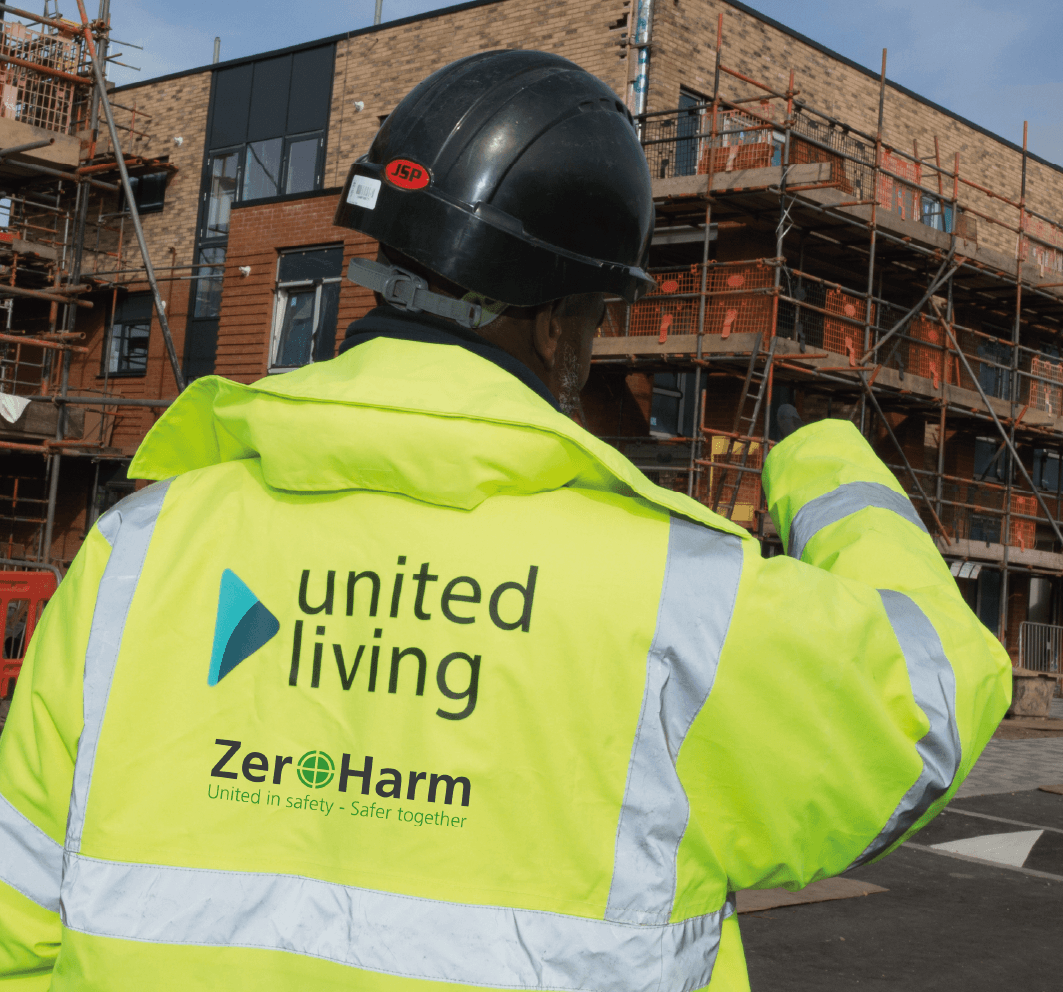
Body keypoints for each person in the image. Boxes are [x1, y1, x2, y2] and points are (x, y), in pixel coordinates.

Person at [0, 50, 1009, 990]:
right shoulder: (673, 598)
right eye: (598, 316)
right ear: (558, 320)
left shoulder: (138, 553)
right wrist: (828, 467)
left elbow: (18, 920)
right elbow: (932, 696)